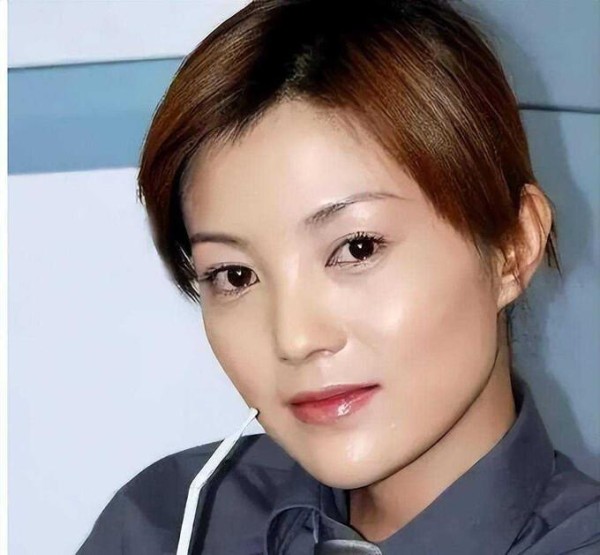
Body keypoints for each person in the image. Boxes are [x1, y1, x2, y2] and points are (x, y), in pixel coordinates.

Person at [76, 0, 600, 553]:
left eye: (357, 248)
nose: (295, 339)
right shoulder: (169, 523)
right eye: (235, 275)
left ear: (513, 248)